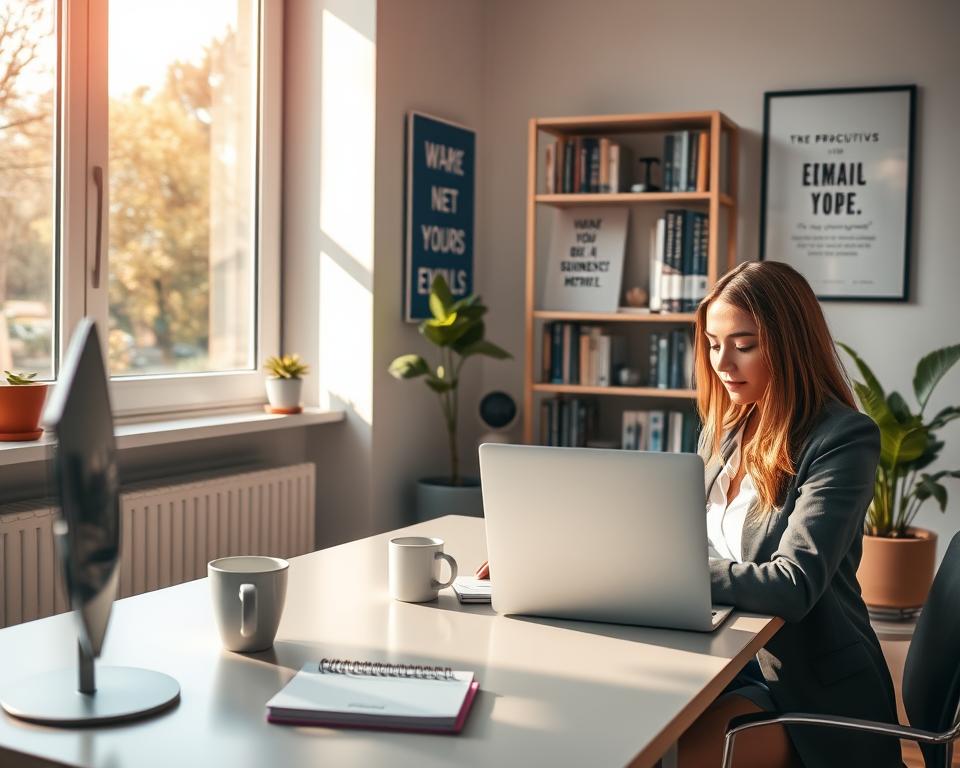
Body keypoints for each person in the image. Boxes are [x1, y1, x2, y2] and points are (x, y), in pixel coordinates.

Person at [477, 261, 902, 767]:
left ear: (791, 345)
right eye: (714, 343)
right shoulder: (724, 431)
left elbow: (794, 584)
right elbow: (675, 539)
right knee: (582, 720)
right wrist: (558, 558)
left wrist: (659, 574)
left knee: (655, 757)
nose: (724, 363)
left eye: (744, 345)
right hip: (723, 656)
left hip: (803, 688)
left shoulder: (843, 438)